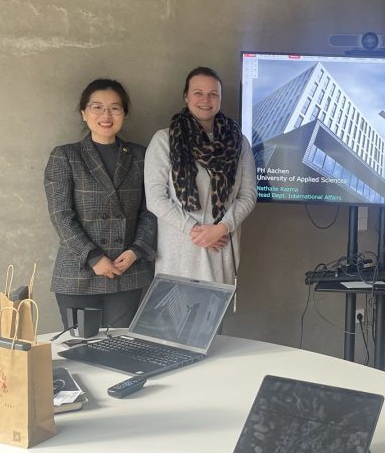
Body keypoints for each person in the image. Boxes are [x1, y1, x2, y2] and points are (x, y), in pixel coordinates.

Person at [44, 78, 157, 328]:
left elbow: (150, 212)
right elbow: (61, 216)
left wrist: (136, 251)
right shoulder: (65, 156)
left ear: (124, 113)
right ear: (84, 113)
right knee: (80, 345)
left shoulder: (140, 156)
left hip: (126, 271)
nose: (106, 115)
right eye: (97, 107)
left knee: (120, 344)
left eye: (115, 108)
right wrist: (93, 257)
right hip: (79, 272)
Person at [144, 66, 257, 284]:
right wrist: (196, 231)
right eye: (198, 93)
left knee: (216, 306)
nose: (206, 100)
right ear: (186, 96)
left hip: (221, 249)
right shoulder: (164, 140)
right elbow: (156, 199)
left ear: (220, 98)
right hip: (179, 255)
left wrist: (221, 228)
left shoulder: (239, 143)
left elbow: (248, 195)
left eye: (213, 94)